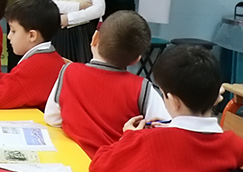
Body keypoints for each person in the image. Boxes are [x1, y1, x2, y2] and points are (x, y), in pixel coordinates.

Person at [90, 45, 243, 172]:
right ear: (216, 98)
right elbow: (238, 152)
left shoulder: (148, 143)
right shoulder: (232, 145)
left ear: (174, 101)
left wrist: (127, 136)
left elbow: (98, 170)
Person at [43, 10, 170, 158]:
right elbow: (166, 129)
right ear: (136, 59)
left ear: (95, 38)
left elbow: (52, 118)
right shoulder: (142, 88)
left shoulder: (68, 71)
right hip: (116, 164)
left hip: (74, 160)